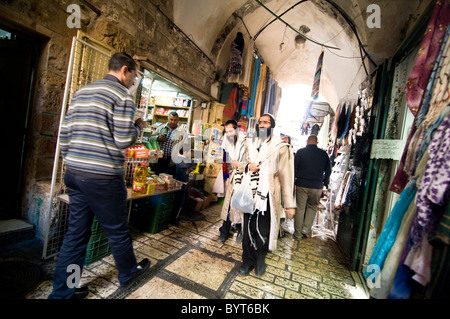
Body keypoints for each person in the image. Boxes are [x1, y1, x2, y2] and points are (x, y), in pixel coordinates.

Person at [49, 52, 150, 299]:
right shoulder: (122, 97)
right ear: (125, 70)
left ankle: (63, 292)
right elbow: (123, 140)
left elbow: (64, 135)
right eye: (134, 77)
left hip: (74, 173)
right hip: (103, 177)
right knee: (116, 229)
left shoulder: (81, 92)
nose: (132, 82)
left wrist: (71, 162)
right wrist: (139, 126)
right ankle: (128, 273)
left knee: (76, 234)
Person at [239, 113, 296, 276]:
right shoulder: (248, 142)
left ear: (272, 125)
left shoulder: (281, 147)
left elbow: (286, 176)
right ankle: (247, 261)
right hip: (249, 192)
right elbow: (239, 163)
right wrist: (247, 166)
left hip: (268, 197)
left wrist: (289, 204)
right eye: (260, 122)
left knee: (263, 231)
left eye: (266, 122)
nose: (262, 125)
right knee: (247, 231)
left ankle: (259, 259)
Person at [293, 134, 331, 240]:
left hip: (302, 184)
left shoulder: (300, 152)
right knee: (312, 207)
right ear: (317, 143)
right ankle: (306, 230)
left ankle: (298, 234)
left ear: (307, 141)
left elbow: (294, 168)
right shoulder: (323, 154)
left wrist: (294, 181)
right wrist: (324, 182)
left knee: (300, 208)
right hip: (317, 186)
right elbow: (328, 170)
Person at [218, 120, 247, 244]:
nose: (228, 134)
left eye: (230, 131)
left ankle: (241, 231)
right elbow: (225, 154)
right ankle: (224, 231)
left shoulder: (245, 140)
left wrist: (239, 165)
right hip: (233, 175)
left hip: (245, 177)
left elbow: (250, 161)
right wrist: (225, 173)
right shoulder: (227, 138)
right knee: (228, 204)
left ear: (236, 129)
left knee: (241, 206)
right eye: (226, 131)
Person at [150, 111, 187, 176]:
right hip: (159, 159)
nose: (173, 122)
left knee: (169, 180)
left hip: (171, 161)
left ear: (178, 120)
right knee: (156, 178)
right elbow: (151, 139)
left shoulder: (182, 132)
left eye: (175, 120)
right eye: (171, 119)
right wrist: (158, 138)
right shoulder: (161, 128)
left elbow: (185, 147)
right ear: (168, 119)